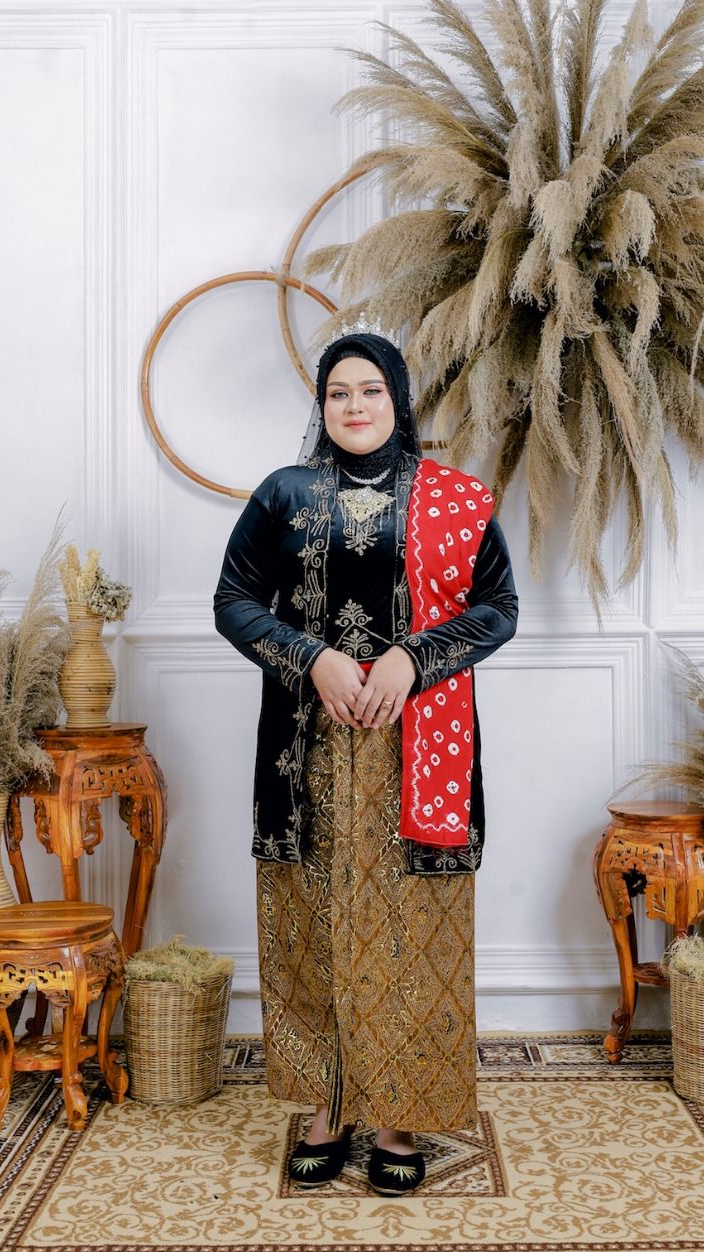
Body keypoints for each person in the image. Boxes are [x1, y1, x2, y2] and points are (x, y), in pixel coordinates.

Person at [213, 323, 518, 1196]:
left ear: (398, 399)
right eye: (338, 393)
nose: (355, 406)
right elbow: (233, 600)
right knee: (312, 917)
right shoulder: (284, 494)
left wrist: (410, 659)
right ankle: (328, 1106)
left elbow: (499, 606)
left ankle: (397, 1115)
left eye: (371, 391)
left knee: (409, 928)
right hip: (306, 749)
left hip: (416, 751)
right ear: (322, 406)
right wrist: (312, 657)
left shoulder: (452, 497)